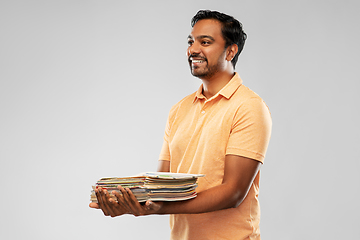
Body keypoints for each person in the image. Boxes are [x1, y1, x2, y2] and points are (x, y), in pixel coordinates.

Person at [90, 10, 272, 240]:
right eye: (191, 41)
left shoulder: (249, 107)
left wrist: (159, 209)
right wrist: (127, 201)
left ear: (231, 51)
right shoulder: (179, 109)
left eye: (205, 42)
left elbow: (233, 192)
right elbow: (161, 184)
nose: (193, 50)